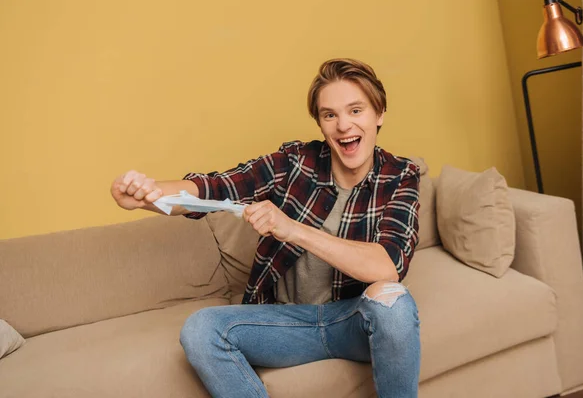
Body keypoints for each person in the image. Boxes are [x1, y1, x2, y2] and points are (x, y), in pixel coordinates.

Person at [110, 58, 421, 398]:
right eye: (330, 115)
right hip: (284, 322)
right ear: (320, 123)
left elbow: (387, 266)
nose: (343, 125)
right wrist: (145, 196)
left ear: (379, 114)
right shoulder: (295, 162)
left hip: (352, 320)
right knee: (200, 330)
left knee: (395, 304)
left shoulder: (401, 176)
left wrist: (293, 229)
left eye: (356, 111)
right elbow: (214, 189)